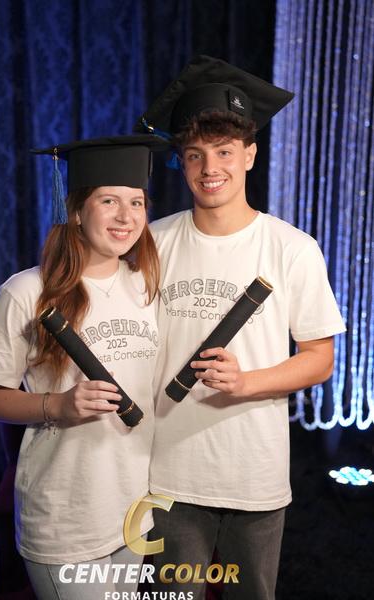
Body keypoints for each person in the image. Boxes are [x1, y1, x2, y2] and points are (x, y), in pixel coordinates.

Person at [135, 56, 346, 600]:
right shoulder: (152, 243)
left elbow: (319, 358)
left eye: (225, 152)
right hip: (168, 473)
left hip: (253, 473)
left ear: (249, 155)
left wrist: (246, 382)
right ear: (182, 163)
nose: (211, 167)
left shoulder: (292, 248)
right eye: (195, 155)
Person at [0, 134, 168, 600]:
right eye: (108, 201)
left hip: (134, 508)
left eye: (136, 203)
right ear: (77, 211)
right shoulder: (25, 292)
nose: (126, 217)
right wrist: (58, 405)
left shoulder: (147, 286)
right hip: (65, 513)